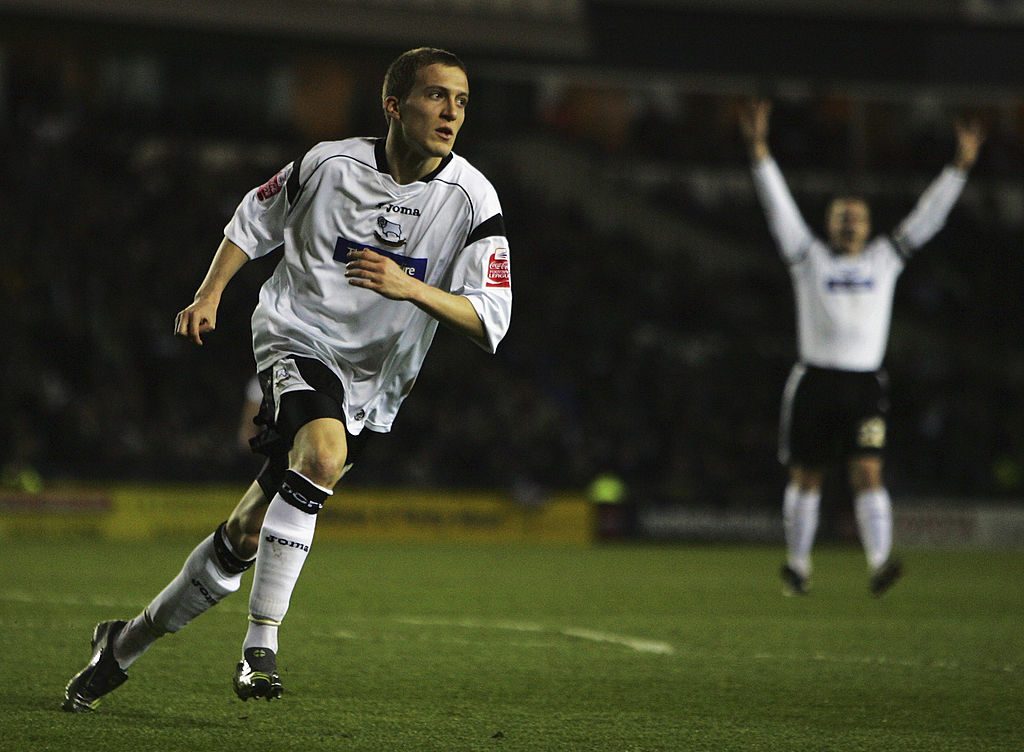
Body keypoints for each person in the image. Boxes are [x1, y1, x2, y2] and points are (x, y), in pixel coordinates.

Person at [62, 47, 512, 711]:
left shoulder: (473, 199)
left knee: (248, 531)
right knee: (322, 455)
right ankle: (260, 646)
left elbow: (490, 320)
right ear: (394, 104)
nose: (452, 112)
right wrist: (210, 293)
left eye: (462, 100)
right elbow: (252, 218)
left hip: (370, 384)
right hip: (296, 334)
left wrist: (410, 288)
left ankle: (120, 647)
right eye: (436, 96)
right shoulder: (327, 163)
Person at [738, 98, 984, 597]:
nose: (849, 224)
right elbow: (776, 206)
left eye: (856, 217)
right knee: (807, 478)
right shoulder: (806, 257)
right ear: (828, 224)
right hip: (815, 381)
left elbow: (928, 217)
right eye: (841, 217)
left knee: (869, 472)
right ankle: (798, 567)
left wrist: (959, 166)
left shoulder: (884, 259)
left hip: (864, 384)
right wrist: (759, 148)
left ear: (868, 226)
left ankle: (878, 565)